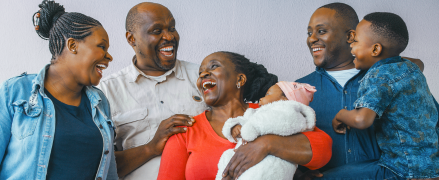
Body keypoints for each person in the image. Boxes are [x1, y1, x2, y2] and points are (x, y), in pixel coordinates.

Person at [296, 2, 439, 179]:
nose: (311, 39)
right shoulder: (298, 91)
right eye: (309, 33)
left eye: (321, 31)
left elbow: (431, 124)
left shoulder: (393, 80)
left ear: (351, 36)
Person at [157, 51, 332, 180]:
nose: (203, 74)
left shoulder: (269, 109)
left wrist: (266, 144)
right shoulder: (186, 131)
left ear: (240, 80)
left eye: (214, 66)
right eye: (200, 72)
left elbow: (323, 148)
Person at [0, 0, 117, 179]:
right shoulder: (16, 91)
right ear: (72, 45)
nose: (109, 56)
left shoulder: (100, 103)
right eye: (102, 46)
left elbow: (110, 174)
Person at [97, 2, 208, 179]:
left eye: (172, 28)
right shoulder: (107, 91)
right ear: (131, 39)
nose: (169, 36)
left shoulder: (202, 77)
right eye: (157, 31)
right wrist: (151, 147)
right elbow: (99, 167)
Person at [217, 82, 320, 180]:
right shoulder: (257, 112)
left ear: (285, 99)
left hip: (270, 164)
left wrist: (250, 130)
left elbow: (267, 122)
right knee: (226, 158)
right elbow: (246, 120)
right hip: (245, 160)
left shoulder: (289, 112)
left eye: (267, 94)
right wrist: (235, 126)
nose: (262, 98)